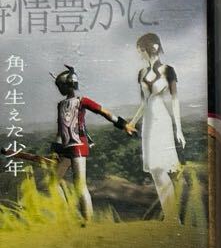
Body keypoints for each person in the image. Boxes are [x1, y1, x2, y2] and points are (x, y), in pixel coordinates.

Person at [51, 65, 136, 222]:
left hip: (78, 146)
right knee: (53, 182)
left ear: (66, 85)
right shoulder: (61, 105)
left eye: (60, 85)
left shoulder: (83, 101)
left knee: (80, 186)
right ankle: (66, 215)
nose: (59, 89)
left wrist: (124, 125)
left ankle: (88, 222)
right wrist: (56, 150)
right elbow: (60, 129)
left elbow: (105, 113)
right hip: (65, 148)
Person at [128, 33, 186, 218]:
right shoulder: (141, 73)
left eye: (141, 50)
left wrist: (179, 129)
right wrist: (132, 122)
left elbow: (175, 100)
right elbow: (143, 103)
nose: (140, 54)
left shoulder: (168, 70)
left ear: (150, 47)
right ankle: (170, 216)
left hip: (162, 120)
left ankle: (173, 217)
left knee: (161, 168)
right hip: (148, 123)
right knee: (154, 169)